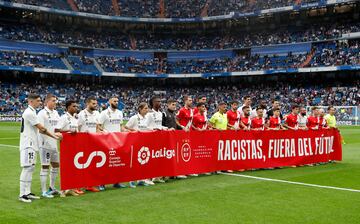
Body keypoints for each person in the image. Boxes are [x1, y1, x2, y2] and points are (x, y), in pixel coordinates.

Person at [19, 93, 62, 203]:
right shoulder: (29, 113)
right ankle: (22, 194)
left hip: (33, 144)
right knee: (27, 168)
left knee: (31, 167)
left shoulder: (33, 111)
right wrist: (54, 136)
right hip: (28, 144)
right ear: (31, 101)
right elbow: (42, 129)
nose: (40, 102)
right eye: (38, 101)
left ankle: (27, 192)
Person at [97, 96, 127, 189]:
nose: (116, 102)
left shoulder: (119, 113)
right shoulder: (104, 113)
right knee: (106, 163)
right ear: (110, 101)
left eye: (117, 101)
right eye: (114, 101)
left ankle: (116, 182)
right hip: (107, 141)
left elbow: (121, 127)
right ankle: (102, 183)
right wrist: (105, 132)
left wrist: (127, 133)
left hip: (118, 141)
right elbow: (98, 126)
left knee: (117, 163)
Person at [55, 100, 83, 197]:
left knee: (73, 168)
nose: (76, 108)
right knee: (65, 169)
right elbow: (56, 130)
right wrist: (68, 131)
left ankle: (71, 189)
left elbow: (76, 132)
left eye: (76, 106)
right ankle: (63, 190)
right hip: (66, 147)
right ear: (68, 107)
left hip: (75, 146)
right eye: (74, 106)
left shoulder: (75, 118)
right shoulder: (64, 118)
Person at [37, 94, 61, 199]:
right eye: (53, 100)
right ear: (47, 102)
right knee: (45, 167)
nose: (55, 102)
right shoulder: (42, 113)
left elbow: (58, 128)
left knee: (56, 165)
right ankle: (43, 191)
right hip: (45, 144)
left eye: (56, 101)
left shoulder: (56, 113)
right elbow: (41, 129)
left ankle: (52, 187)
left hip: (54, 144)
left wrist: (60, 134)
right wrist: (54, 136)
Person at [125, 102, 154, 186]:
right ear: (140, 109)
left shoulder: (147, 118)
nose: (147, 110)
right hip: (135, 143)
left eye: (147, 108)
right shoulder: (134, 118)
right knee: (134, 162)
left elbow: (146, 128)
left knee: (142, 162)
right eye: (145, 108)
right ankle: (131, 180)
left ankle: (141, 180)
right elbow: (126, 127)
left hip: (144, 143)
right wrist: (134, 131)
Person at [78, 96, 101, 192]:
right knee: (81, 165)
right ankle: (78, 185)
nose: (95, 105)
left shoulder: (97, 113)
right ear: (87, 103)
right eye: (93, 103)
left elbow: (97, 127)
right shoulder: (81, 114)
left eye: (96, 103)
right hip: (83, 143)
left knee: (92, 165)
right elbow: (77, 128)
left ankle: (89, 185)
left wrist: (100, 132)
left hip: (94, 142)